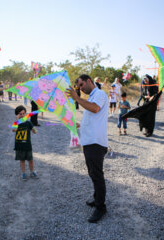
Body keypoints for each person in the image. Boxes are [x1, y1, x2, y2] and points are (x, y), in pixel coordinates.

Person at [66, 74, 109, 223]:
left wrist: (76, 98)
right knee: (92, 173)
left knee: (97, 175)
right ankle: (97, 198)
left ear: (89, 81)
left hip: (96, 142)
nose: (80, 88)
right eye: (79, 87)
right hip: (89, 141)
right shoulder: (91, 97)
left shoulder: (100, 94)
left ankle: (101, 207)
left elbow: (95, 109)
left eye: (81, 85)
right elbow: (92, 117)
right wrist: (79, 124)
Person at [13, 105, 38, 181]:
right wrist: (17, 121)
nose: (22, 115)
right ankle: (23, 173)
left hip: (27, 145)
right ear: (17, 115)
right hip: (19, 145)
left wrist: (34, 130)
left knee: (30, 160)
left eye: (24, 113)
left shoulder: (28, 123)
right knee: (22, 160)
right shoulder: (15, 123)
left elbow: (35, 131)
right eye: (20, 114)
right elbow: (14, 130)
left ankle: (32, 171)